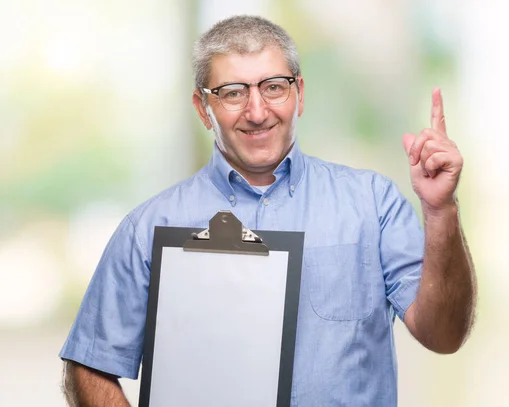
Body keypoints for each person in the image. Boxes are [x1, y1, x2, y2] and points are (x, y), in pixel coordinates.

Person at [60, 15, 477, 407]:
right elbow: (88, 364)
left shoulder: (372, 203)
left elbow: (444, 335)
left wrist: (440, 210)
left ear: (299, 93)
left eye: (273, 87)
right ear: (203, 108)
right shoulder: (149, 228)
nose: (257, 112)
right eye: (233, 93)